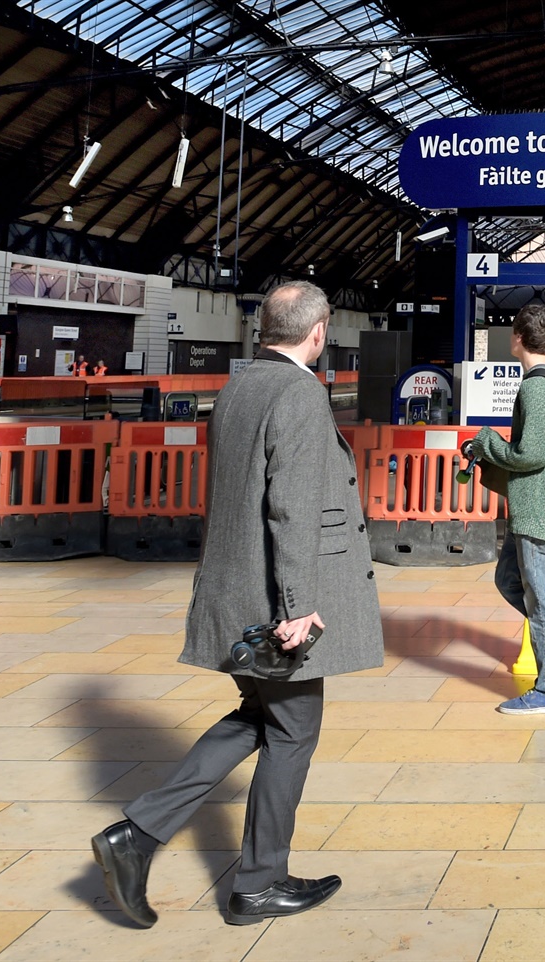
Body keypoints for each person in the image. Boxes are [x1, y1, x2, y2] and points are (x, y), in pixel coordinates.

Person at [90, 280, 383, 927]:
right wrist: (300, 605)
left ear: (263, 328)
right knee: (294, 732)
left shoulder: (241, 386)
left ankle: (138, 837)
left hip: (231, 588)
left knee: (264, 716)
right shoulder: (300, 394)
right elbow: (291, 507)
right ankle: (257, 883)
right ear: (320, 329)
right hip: (272, 600)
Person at [468, 303, 545, 715]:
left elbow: (531, 454)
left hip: (538, 506)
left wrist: (487, 442)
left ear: (517, 338)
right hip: (535, 505)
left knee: (541, 599)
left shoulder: (536, 388)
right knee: (509, 580)